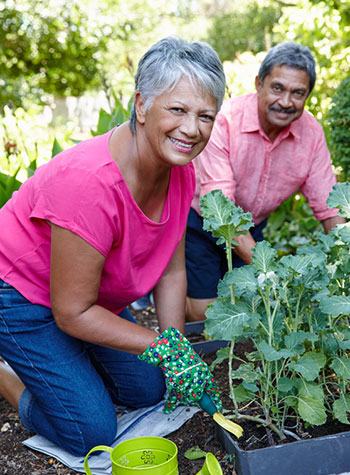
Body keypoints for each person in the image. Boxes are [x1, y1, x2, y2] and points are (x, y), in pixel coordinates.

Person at [0, 36, 226, 456]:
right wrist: (158, 346)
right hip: (20, 293)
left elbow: (172, 269)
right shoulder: (88, 184)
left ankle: (66, 362)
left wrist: (174, 349)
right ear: (141, 105)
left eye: (205, 116)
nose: (192, 129)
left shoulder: (179, 171)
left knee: (150, 388)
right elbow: (72, 311)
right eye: (177, 110)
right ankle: (7, 374)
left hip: (89, 294)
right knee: (91, 431)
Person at [185, 41, 345, 322]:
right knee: (206, 315)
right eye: (277, 88)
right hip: (203, 223)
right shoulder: (225, 120)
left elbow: (330, 207)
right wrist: (268, 270)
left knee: (256, 309)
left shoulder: (311, 134)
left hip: (251, 227)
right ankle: (162, 282)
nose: (285, 102)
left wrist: (344, 255)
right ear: (259, 83)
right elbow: (220, 209)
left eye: (298, 93)